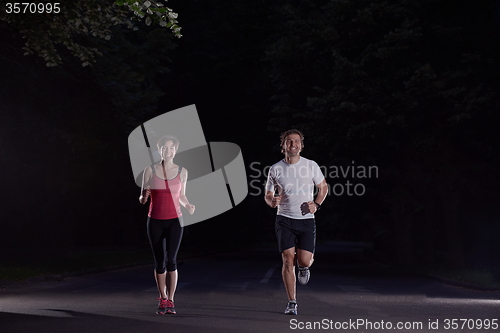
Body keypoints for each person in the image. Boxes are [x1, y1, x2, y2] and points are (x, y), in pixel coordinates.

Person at [264, 129, 328, 315]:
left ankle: (304, 267)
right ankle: (292, 302)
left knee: (304, 260)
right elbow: (268, 195)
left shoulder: (310, 165)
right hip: (284, 218)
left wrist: (316, 204)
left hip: (306, 220)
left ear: (301, 145)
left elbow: (323, 187)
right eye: (289, 141)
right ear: (283, 145)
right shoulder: (275, 169)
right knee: (287, 259)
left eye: (297, 141)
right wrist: (272, 201)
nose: (293, 144)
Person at [139, 135, 195, 314]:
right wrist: (144, 196)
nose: (168, 151)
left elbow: (182, 195)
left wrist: (188, 205)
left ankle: (171, 300)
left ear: (176, 150)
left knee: (172, 260)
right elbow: (141, 199)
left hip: (175, 221)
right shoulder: (149, 170)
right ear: (160, 150)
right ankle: (162, 298)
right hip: (154, 220)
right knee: (159, 262)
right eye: (164, 148)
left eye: (171, 148)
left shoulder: (182, 171)